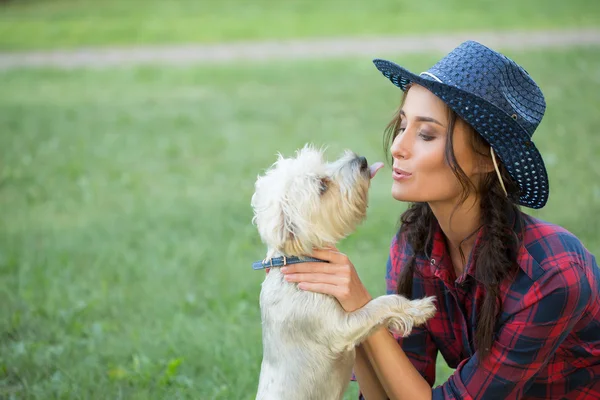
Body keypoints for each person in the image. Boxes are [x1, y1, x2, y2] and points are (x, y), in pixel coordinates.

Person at [279, 41, 600, 399]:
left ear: (484, 159)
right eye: (402, 126)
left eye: (427, 134)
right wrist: (357, 317)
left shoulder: (552, 275)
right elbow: (391, 392)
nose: (399, 146)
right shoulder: (415, 246)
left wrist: (364, 307)